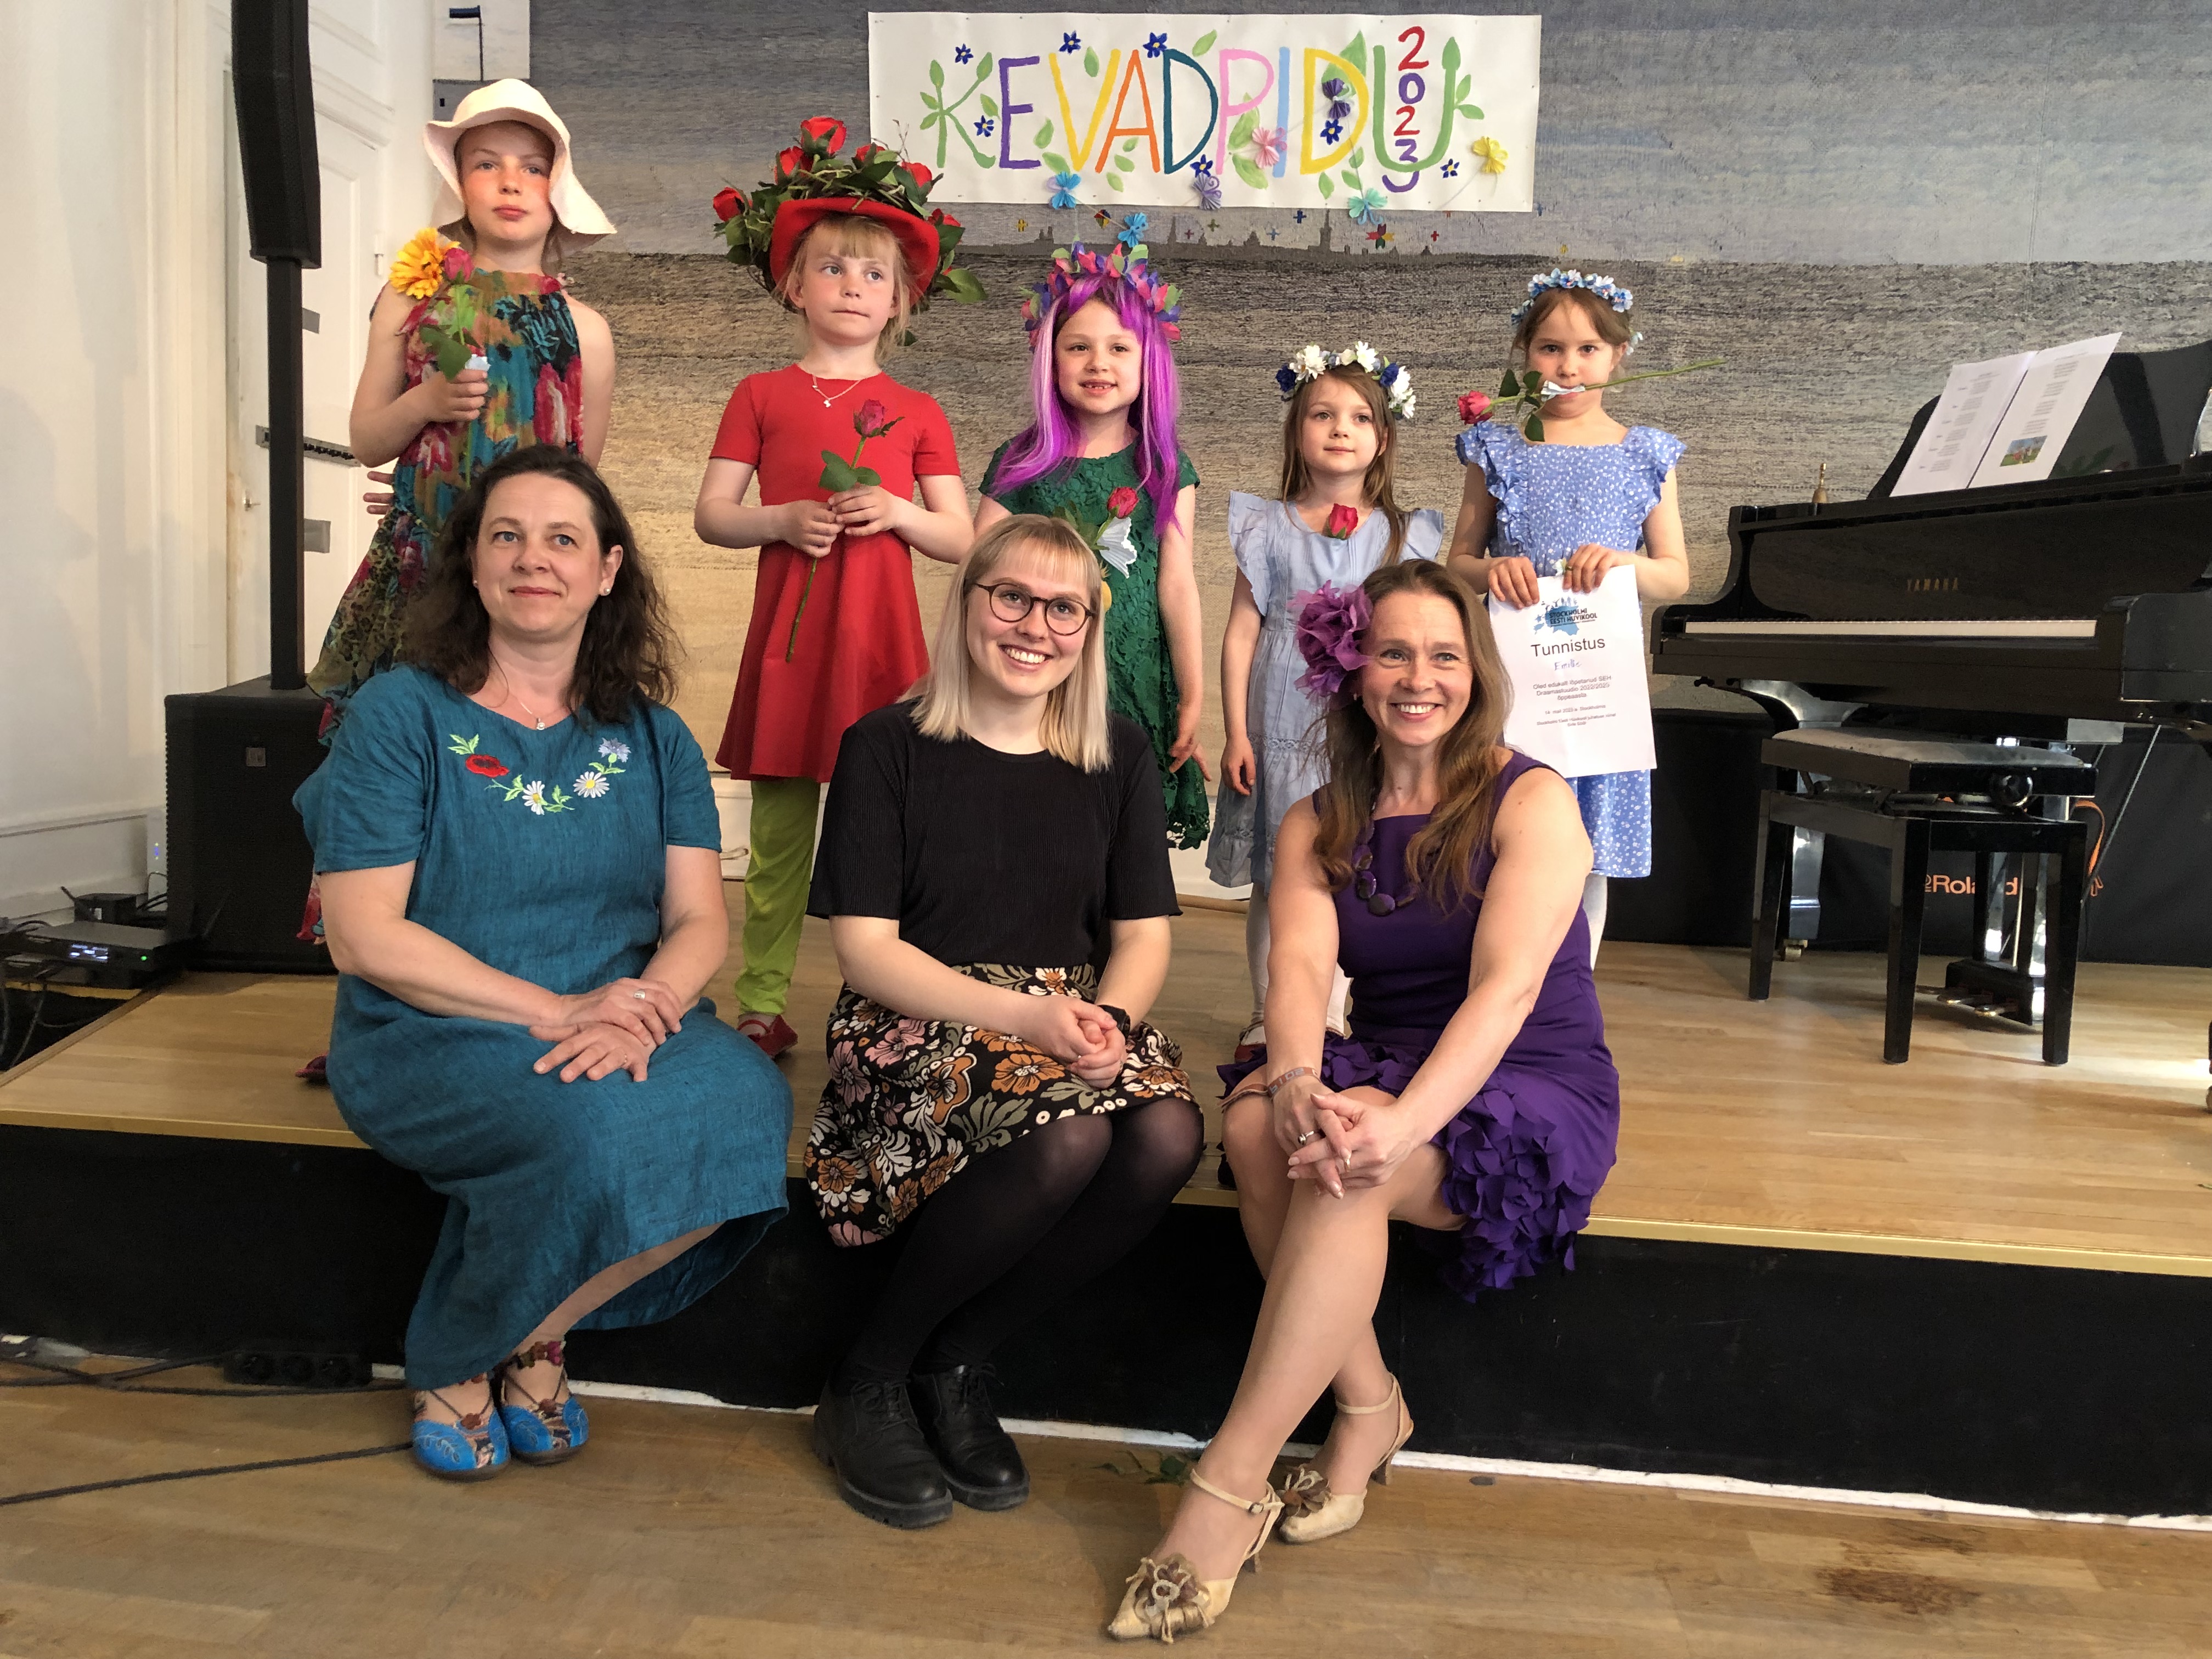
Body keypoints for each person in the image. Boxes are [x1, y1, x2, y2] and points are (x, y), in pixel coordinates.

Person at [1109, 561, 1620, 1641]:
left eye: (1443, 655)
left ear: (1475, 674)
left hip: (1525, 1075)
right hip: (1386, 1054)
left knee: (1345, 1171)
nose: (1418, 678)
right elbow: (1297, 969)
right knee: (1258, 1125)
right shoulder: (1317, 819)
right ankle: (1369, 1403)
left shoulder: (1533, 800)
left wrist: (1401, 1121)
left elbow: (1506, 993)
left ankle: (1226, 1486)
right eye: (1393, 652)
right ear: (1353, 668)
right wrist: (1299, 1078)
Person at [298, 445, 793, 1482]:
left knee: (748, 1101)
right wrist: (559, 1009)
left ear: (606, 570)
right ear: (472, 565)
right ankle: (458, 1349)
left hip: (623, 1007)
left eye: (563, 539)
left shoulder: (655, 736)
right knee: (588, 1130)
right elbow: (364, 936)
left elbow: (699, 918)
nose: (535, 558)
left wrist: (646, 1006)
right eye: (508, 536)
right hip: (433, 1024)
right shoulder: (400, 714)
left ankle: (529, 1330)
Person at [805, 514, 1204, 1529]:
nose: (1035, 626)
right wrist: (1026, 1017)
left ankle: (956, 1358)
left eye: (1064, 608)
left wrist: (1110, 1017)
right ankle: (868, 1373)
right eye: (1012, 597)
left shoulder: (1117, 751)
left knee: (1165, 1132)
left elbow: (1144, 936)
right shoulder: (885, 745)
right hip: (917, 1014)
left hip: (1067, 1011)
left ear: (1088, 629)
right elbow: (866, 951)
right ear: (968, 600)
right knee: (1067, 1136)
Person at [695, 118, 979, 1059]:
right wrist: (778, 521)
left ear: (901, 299)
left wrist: (896, 511)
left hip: (878, 648)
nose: (853, 286)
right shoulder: (759, 394)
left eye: (873, 275)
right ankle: (762, 998)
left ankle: (903, 998)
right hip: (789, 647)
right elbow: (713, 514)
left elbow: (962, 537)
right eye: (832, 268)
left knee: (893, 832)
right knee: (778, 838)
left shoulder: (919, 411)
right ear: (794, 284)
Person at [312, 78, 617, 731]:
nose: (510, 183)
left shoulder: (587, 331)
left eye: (532, 168)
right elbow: (367, 440)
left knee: (511, 732)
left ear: (557, 190)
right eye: (486, 164)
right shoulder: (411, 299)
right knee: (408, 735)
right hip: (423, 568)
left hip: (525, 576)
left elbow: (578, 486)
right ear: (458, 184)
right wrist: (425, 404)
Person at [1444, 268, 1690, 960]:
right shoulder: (1498, 447)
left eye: (1588, 350)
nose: (1568, 366)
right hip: (1513, 682)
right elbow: (1457, 562)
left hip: (1597, 694)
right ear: (1525, 353)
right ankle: (1488, 981)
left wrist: (1623, 563)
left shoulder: (1646, 453)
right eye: (1550, 348)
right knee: (1497, 826)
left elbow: (1674, 576)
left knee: (1585, 848)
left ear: (1618, 355)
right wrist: (1493, 570)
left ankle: (1569, 991)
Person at [1206, 342, 1441, 1058]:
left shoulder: (1403, 535)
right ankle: (1266, 1012)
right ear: (1297, 430)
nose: (1341, 428)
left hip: (1359, 730)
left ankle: (1331, 1015)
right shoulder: (1265, 527)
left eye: (1360, 417)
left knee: (1346, 864)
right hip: (1278, 721)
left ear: (1383, 438)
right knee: (1278, 873)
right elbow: (1242, 633)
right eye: (1323, 415)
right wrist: (1236, 733)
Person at [974, 232, 1210, 849]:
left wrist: (1193, 693)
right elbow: (979, 577)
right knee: (1040, 832)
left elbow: (1177, 584)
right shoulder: (1021, 462)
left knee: (1122, 838)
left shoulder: (1165, 468)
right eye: (1078, 346)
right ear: (1051, 360)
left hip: (1134, 679)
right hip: (1038, 676)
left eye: (1118, 348)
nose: (1098, 363)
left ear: (1148, 362)